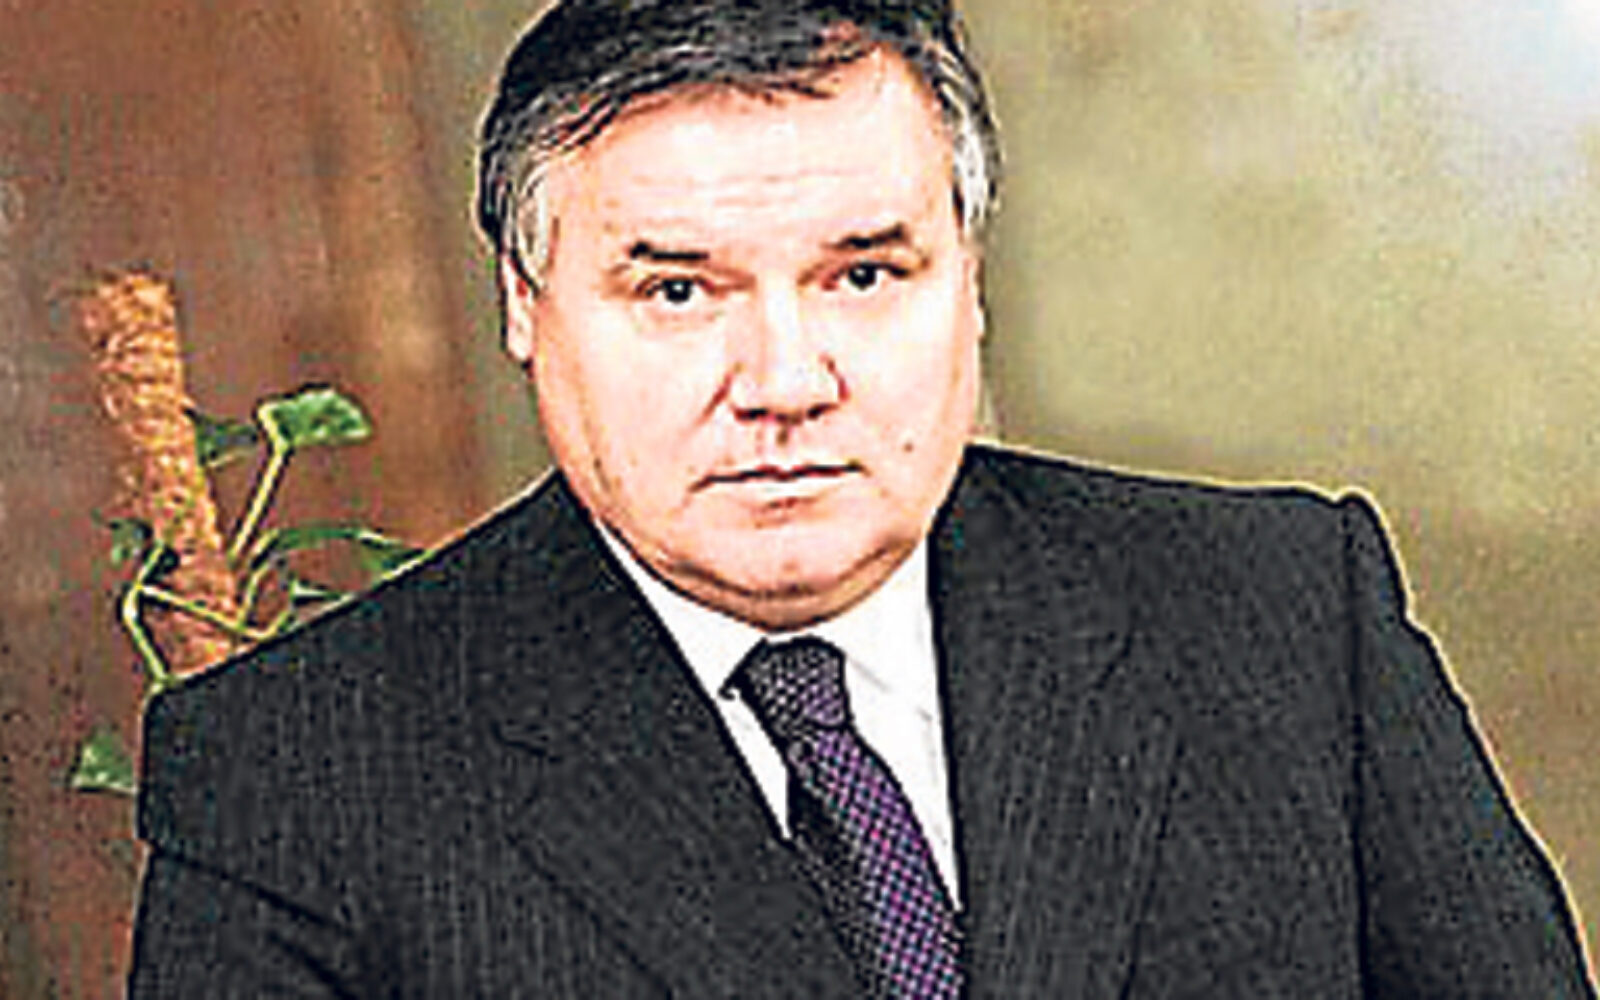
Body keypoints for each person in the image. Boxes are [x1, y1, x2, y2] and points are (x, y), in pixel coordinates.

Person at [128, 0, 1594, 996]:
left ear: (970, 278)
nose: (785, 379)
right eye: (679, 290)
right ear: (526, 302)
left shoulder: (1285, 615)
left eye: (865, 274)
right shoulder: (296, 778)